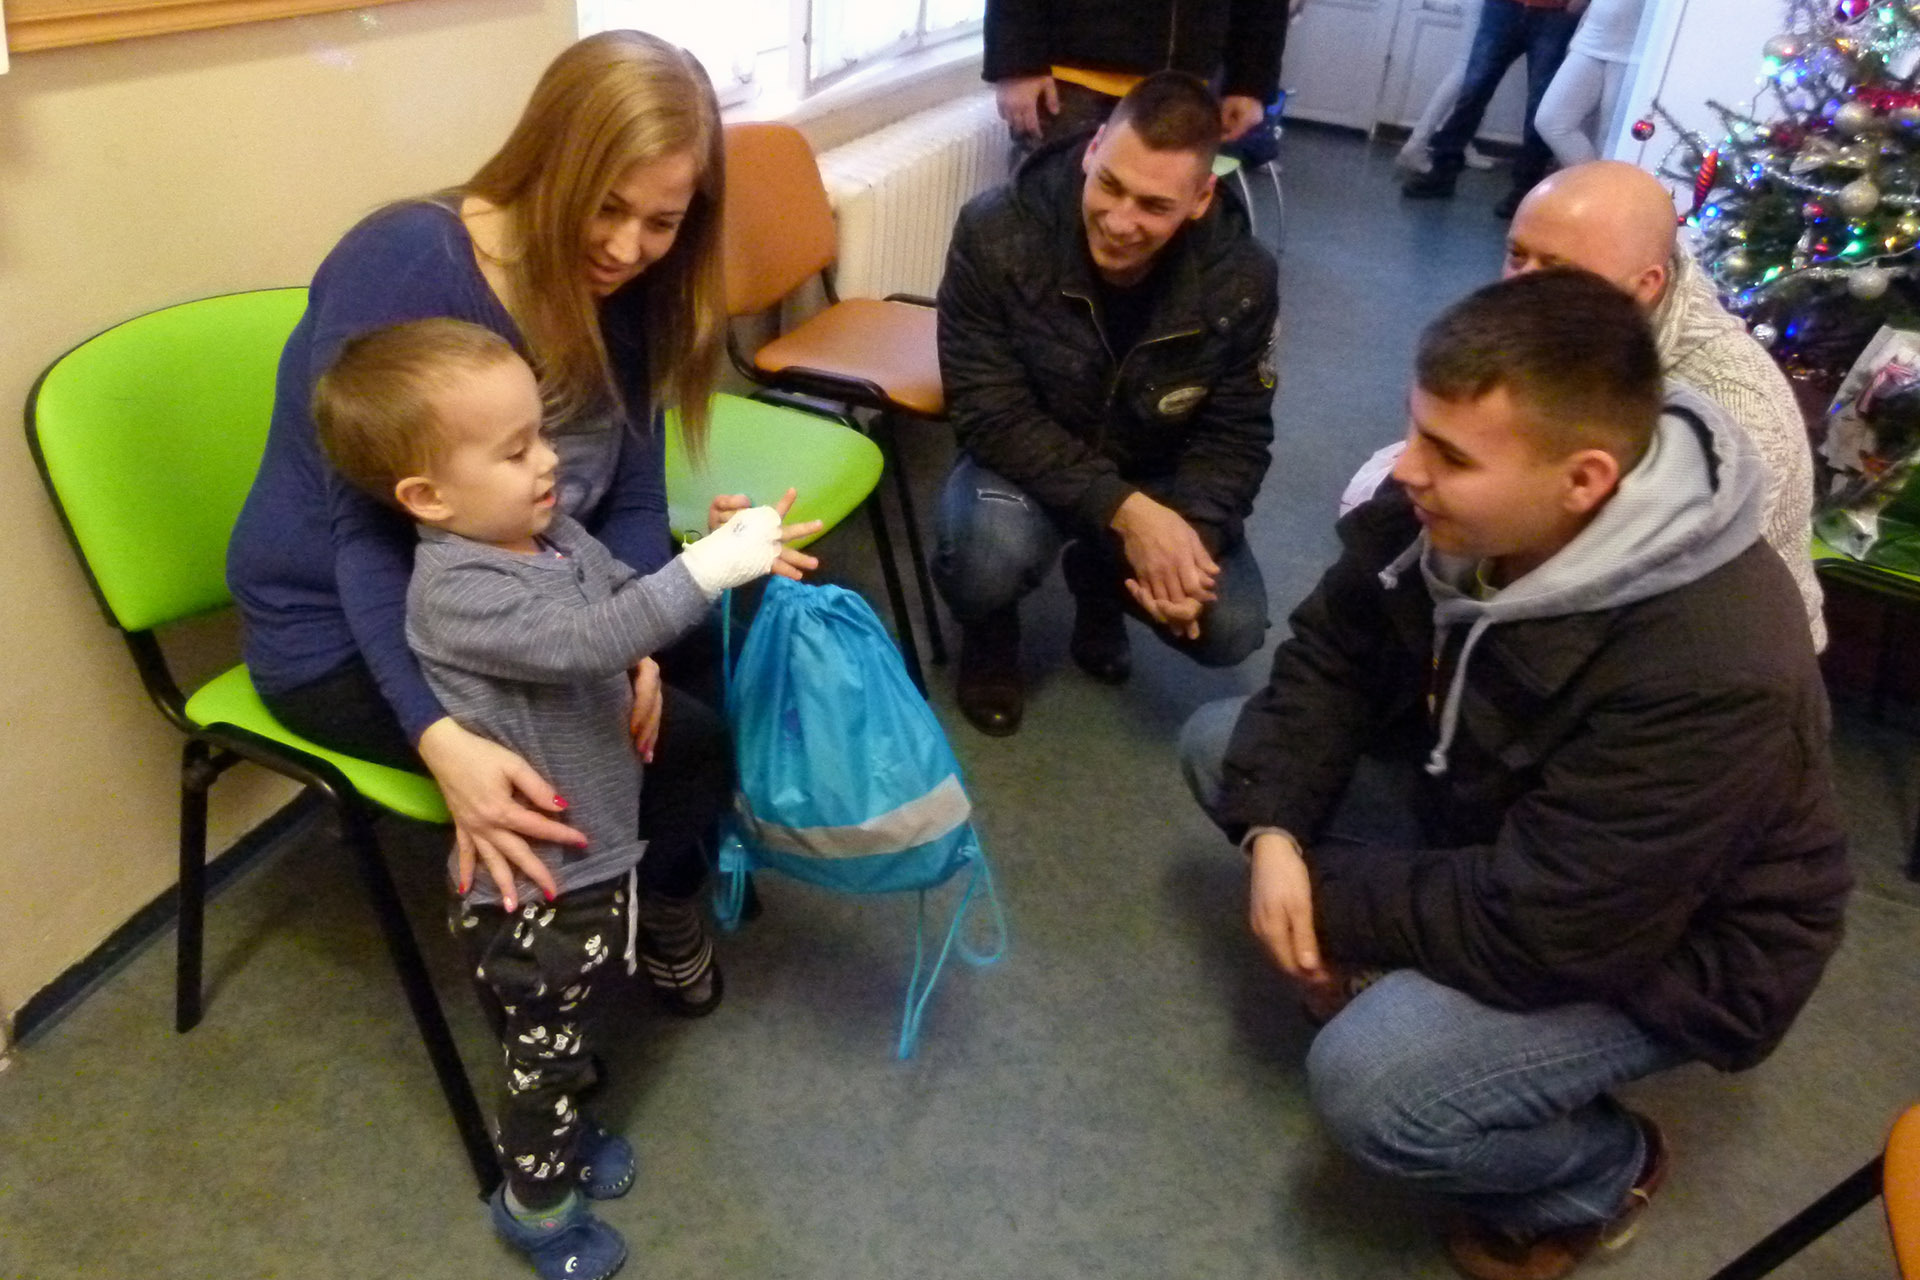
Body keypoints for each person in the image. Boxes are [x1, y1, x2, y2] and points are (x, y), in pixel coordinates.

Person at [1179, 269, 1850, 1280]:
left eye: (1450, 456)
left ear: (1583, 480)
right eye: (1416, 430)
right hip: (1510, 816)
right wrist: (1272, 833)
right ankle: (1412, 980)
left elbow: (1550, 926)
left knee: (1375, 1086)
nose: (1407, 471)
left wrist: (1319, 897)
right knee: (1229, 753)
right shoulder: (1450, 504)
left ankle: (1602, 1168)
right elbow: (1330, 656)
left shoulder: (1719, 668)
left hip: (1675, 941)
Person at [227, 33, 753, 1003]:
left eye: (661, 222)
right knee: (681, 742)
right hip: (348, 626)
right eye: (606, 206)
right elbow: (365, 543)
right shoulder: (407, 262)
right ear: (547, 159)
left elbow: (635, 497)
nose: (626, 249)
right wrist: (438, 736)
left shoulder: (633, 290)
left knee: (727, 631)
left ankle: (660, 875)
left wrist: (629, 630)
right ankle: (607, 941)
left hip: (533, 581)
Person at [311, 318, 818, 1280]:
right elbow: (595, 638)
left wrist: (703, 547)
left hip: (596, 849)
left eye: (540, 434)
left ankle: (570, 1138)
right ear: (427, 497)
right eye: (514, 452)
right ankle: (535, 1208)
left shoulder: (551, 539)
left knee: (570, 1026)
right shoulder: (456, 591)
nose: (548, 461)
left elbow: (625, 597)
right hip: (540, 885)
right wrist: (707, 572)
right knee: (540, 1056)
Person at [1349, 160, 1826, 646]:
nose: (1522, 287)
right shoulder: (1567, 324)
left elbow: (1681, 583)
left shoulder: (1732, 403)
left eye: (1559, 271)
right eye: (1516, 256)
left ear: (1646, 285)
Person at [936, 71, 1280, 737]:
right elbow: (988, 409)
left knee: (1231, 625)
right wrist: (1126, 513)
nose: (1121, 222)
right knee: (985, 561)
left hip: (1155, 467)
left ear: (1202, 198)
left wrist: (1191, 539)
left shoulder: (1244, 278)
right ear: (1093, 148)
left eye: (1154, 206)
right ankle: (991, 632)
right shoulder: (994, 231)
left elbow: (1236, 433)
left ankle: (1099, 580)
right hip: (1027, 456)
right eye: (1111, 185)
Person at [983, 0, 1292, 146]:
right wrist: (1017, 63)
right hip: (1071, 83)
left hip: (1184, 86)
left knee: (1162, 233)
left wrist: (1250, 82)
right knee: (1049, 224)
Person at [1401, 0, 1582, 216]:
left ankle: (1525, 190)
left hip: (1555, 14)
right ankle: (1443, 171)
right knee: (1474, 89)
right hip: (1503, 7)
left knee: (1539, 103)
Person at [1534, 0, 1646, 167]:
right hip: (1591, 39)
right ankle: (1594, 179)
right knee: (1551, 122)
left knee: (1611, 138)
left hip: (1634, 54)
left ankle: (1606, 182)